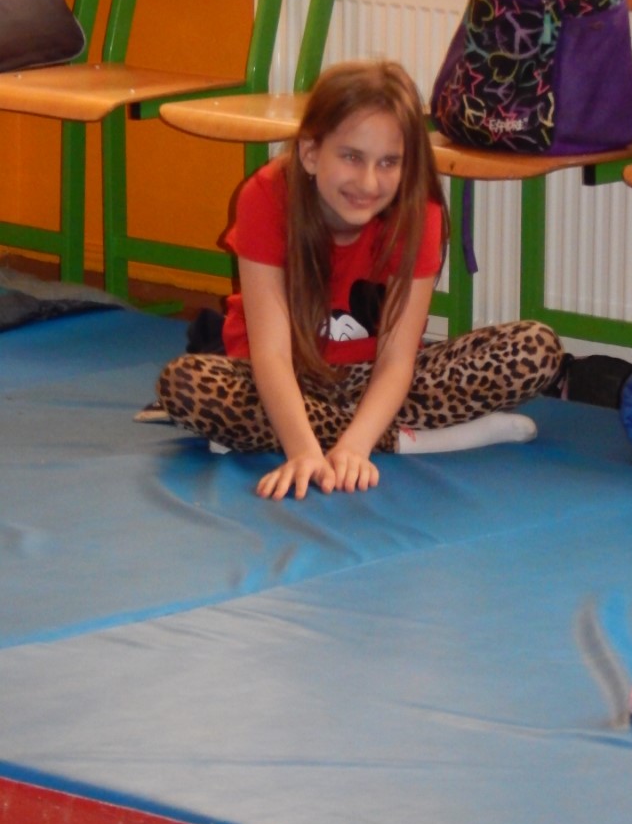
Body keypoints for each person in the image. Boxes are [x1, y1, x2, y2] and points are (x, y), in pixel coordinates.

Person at [157, 60, 563, 500]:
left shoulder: (419, 213)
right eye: (351, 157)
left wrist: (356, 446)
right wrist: (302, 451)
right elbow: (271, 355)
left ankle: (340, 432)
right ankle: (410, 440)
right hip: (288, 376)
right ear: (311, 153)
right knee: (186, 386)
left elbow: (397, 360)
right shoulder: (267, 195)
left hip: (375, 380)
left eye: (388, 162)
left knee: (535, 349)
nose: (369, 182)